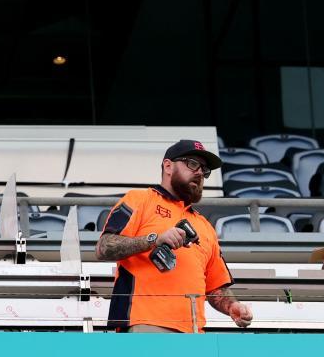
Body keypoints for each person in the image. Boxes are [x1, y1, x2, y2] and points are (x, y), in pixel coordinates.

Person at [96, 139, 254, 333]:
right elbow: (103, 247)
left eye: (204, 169)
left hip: (194, 331)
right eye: (192, 164)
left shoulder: (205, 226)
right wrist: (154, 240)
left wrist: (232, 306)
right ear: (168, 166)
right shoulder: (139, 199)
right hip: (145, 323)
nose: (200, 173)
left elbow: (216, 287)